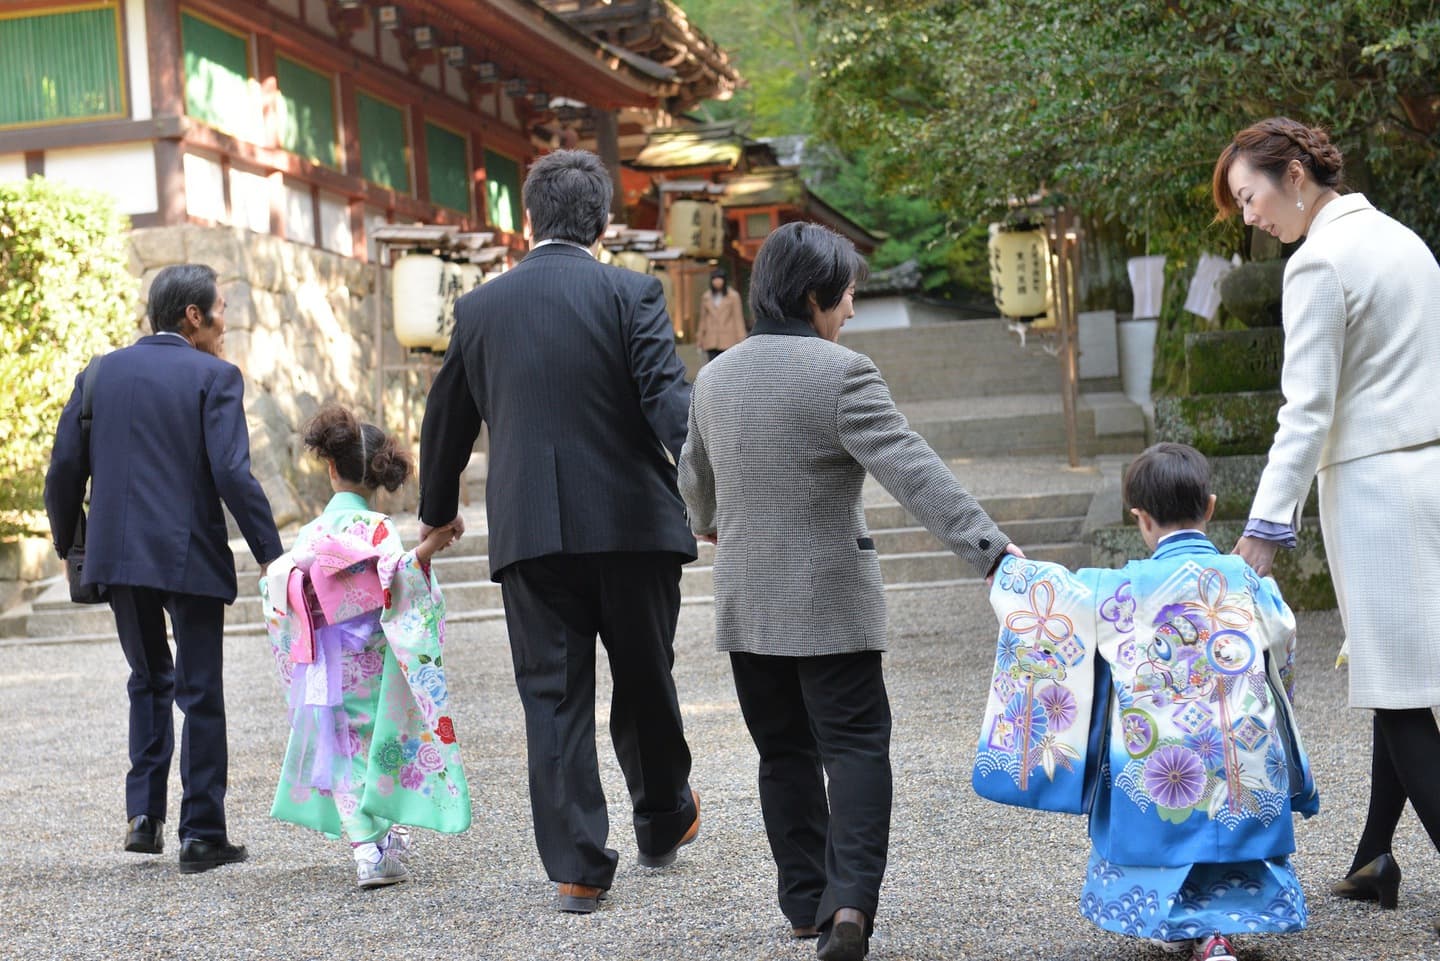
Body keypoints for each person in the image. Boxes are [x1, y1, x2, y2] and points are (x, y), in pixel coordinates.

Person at [677, 221, 1017, 961]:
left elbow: (694, 486)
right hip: (832, 602)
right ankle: (849, 905)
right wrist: (991, 552)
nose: (853, 310)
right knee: (857, 748)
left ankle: (804, 903)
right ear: (812, 296)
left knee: (782, 754)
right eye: (848, 294)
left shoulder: (714, 378)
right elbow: (913, 469)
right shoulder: (841, 372)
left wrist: (710, 523)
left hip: (747, 602)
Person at [417, 149, 700, 914]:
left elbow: (445, 420)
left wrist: (436, 509)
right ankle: (663, 817)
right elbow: (669, 403)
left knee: (553, 696)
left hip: (531, 531)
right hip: (634, 525)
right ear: (602, 222)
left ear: (528, 219)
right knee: (647, 677)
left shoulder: (480, 310)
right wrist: (711, 489)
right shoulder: (631, 293)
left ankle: (578, 866)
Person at [1212, 117, 1440, 913]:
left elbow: (1304, 411)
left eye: (1250, 197)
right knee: (1396, 671)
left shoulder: (1317, 264)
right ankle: (1376, 855)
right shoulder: (1405, 241)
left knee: (1402, 687)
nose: (1249, 217)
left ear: (1296, 174)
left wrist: (1264, 532)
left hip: (1378, 489)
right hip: (1434, 470)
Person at [980, 443, 1319, 961]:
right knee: (1236, 799)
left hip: (1159, 755)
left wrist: (1003, 568)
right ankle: (1222, 928)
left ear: (1140, 519)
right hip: (1239, 743)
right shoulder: (1247, 580)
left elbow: (1054, 605)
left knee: (1162, 814)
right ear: (1209, 506)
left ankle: (1192, 926)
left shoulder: (1120, 589)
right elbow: (1283, 639)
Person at [44, 263, 283, 873]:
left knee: (149, 678)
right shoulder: (215, 376)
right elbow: (232, 473)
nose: (227, 323)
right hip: (191, 555)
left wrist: (72, 546)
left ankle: (144, 819)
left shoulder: (98, 375)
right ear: (194, 316)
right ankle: (201, 833)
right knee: (199, 693)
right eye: (222, 310)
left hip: (119, 558)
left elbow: (63, 472)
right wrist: (272, 557)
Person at [260, 404, 468, 889]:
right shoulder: (376, 529)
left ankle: (370, 845)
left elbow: (280, 588)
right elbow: (398, 578)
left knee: (342, 746)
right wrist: (429, 550)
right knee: (382, 742)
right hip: (376, 655)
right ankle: (378, 845)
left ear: (330, 467)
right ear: (376, 474)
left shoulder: (311, 533)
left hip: (326, 659)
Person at [696, 268, 746, 360]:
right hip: (711, 339)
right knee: (711, 367)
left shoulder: (733, 296)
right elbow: (703, 320)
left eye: (720, 278)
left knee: (727, 366)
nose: (717, 281)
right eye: (714, 279)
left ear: (724, 280)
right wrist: (700, 339)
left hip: (728, 339)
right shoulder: (706, 297)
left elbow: (738, 319)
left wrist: (742, 340)